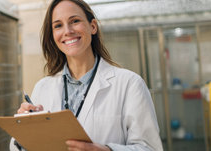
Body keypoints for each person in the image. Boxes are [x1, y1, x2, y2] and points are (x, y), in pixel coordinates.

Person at [10, 0, 163, 151]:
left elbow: (150, 148)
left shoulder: (129, 84)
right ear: (53, 35)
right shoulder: (43, 87)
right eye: (58, 25)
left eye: (75, 21)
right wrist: (24, 129)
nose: (67, 31)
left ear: (93, 26)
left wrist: (107, 150)